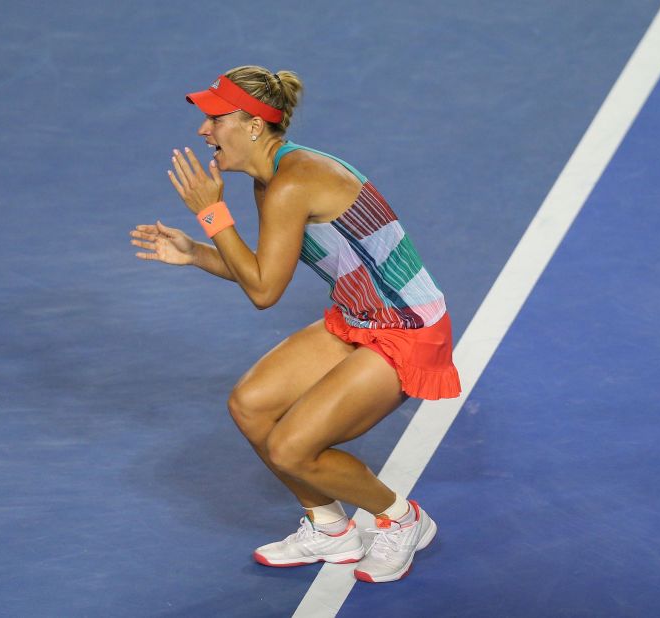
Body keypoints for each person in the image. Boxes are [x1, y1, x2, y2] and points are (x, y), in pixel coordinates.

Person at [129, 65, 460, 583]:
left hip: (408, 328)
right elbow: (263, 270)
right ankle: (330, 528)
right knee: (251, 405)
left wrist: (212, 215)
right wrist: (196, 253)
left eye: (215, 119)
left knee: (292, 448)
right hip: (358, 317)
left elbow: (263, 293)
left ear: (254, 125)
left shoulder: (292, 183)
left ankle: (402, 520)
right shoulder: (272, 181)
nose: (203, 131)